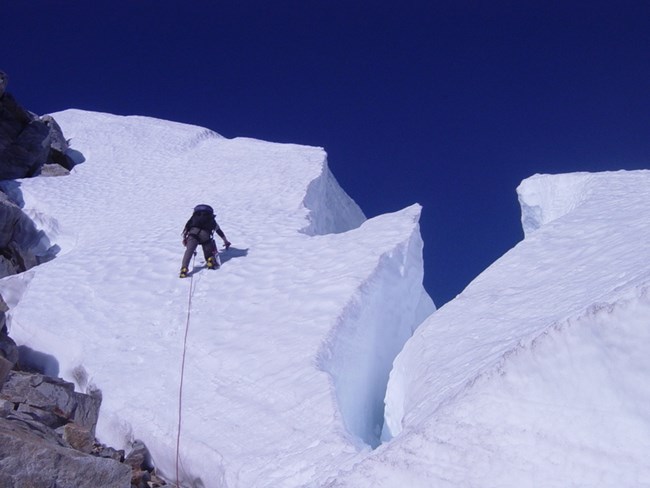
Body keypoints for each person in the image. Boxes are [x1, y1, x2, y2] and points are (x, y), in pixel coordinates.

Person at [180, 204, 231, 278]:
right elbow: (219, 231)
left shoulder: (194, 218)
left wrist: (185, 238)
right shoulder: (211, 219)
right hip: (205, 235)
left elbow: (187, 228)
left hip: (193, 233)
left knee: (189, 251)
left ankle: (184, 268)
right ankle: (210, 260)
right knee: (207, 245)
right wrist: (226, 241)